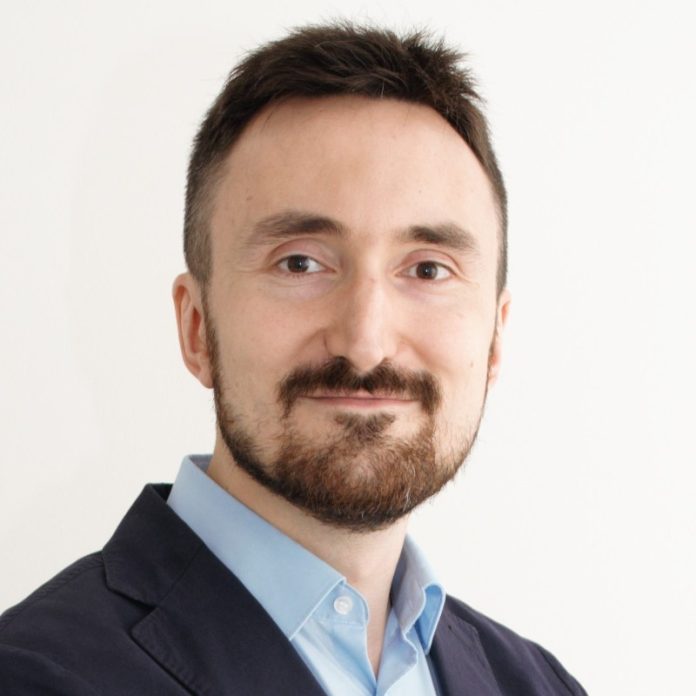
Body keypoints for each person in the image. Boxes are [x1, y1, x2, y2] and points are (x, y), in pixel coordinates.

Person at [0, 22, 587, 695]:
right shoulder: (32, 677)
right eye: (301, 262)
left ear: (494, 340)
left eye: (428, 269)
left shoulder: (538, 683)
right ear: (197, 327)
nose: (365, 342)